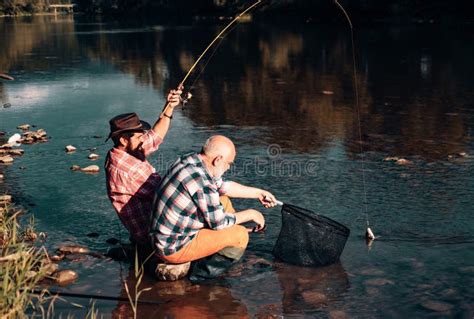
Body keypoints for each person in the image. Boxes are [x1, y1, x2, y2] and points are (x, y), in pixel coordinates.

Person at [150, 135, 278, 279]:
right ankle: (201, 277)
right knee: (240, 235)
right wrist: (251, 214)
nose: (229, 167)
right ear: (218, 160)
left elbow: (223, 187)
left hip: (165, 237)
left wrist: (259, 193)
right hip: (172, 248)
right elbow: (219, 222)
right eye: (229, 163)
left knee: (224, 200)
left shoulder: (191, 161)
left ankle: (218, 246)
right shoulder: (201, 181)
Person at [105, 87, 182, 248]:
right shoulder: (128, 168)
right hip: (154, 235)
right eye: (140, 136)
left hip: (148, 228)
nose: (143, 139)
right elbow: (168, 194)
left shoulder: (122, 152)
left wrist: (169, 106)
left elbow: (155, 135)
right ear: (124, 140)